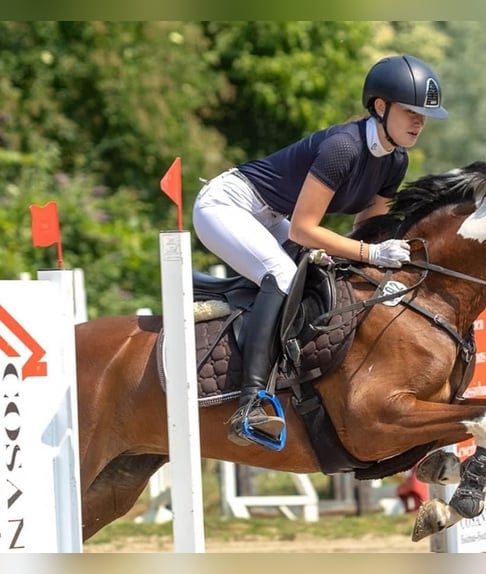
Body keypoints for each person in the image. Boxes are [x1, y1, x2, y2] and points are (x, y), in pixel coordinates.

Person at [192, 54, 448, 449]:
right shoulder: (343, 148)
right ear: (380, 107)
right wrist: (369, 252)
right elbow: (304, 228)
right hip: (228, 205)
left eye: (424, 115)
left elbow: (369, 229)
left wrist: (377, 256)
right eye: (410, 111)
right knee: (280, 273)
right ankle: (251, 402)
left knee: (318, 277)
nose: (419, 122)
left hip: (272, 215)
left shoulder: (395, 160)